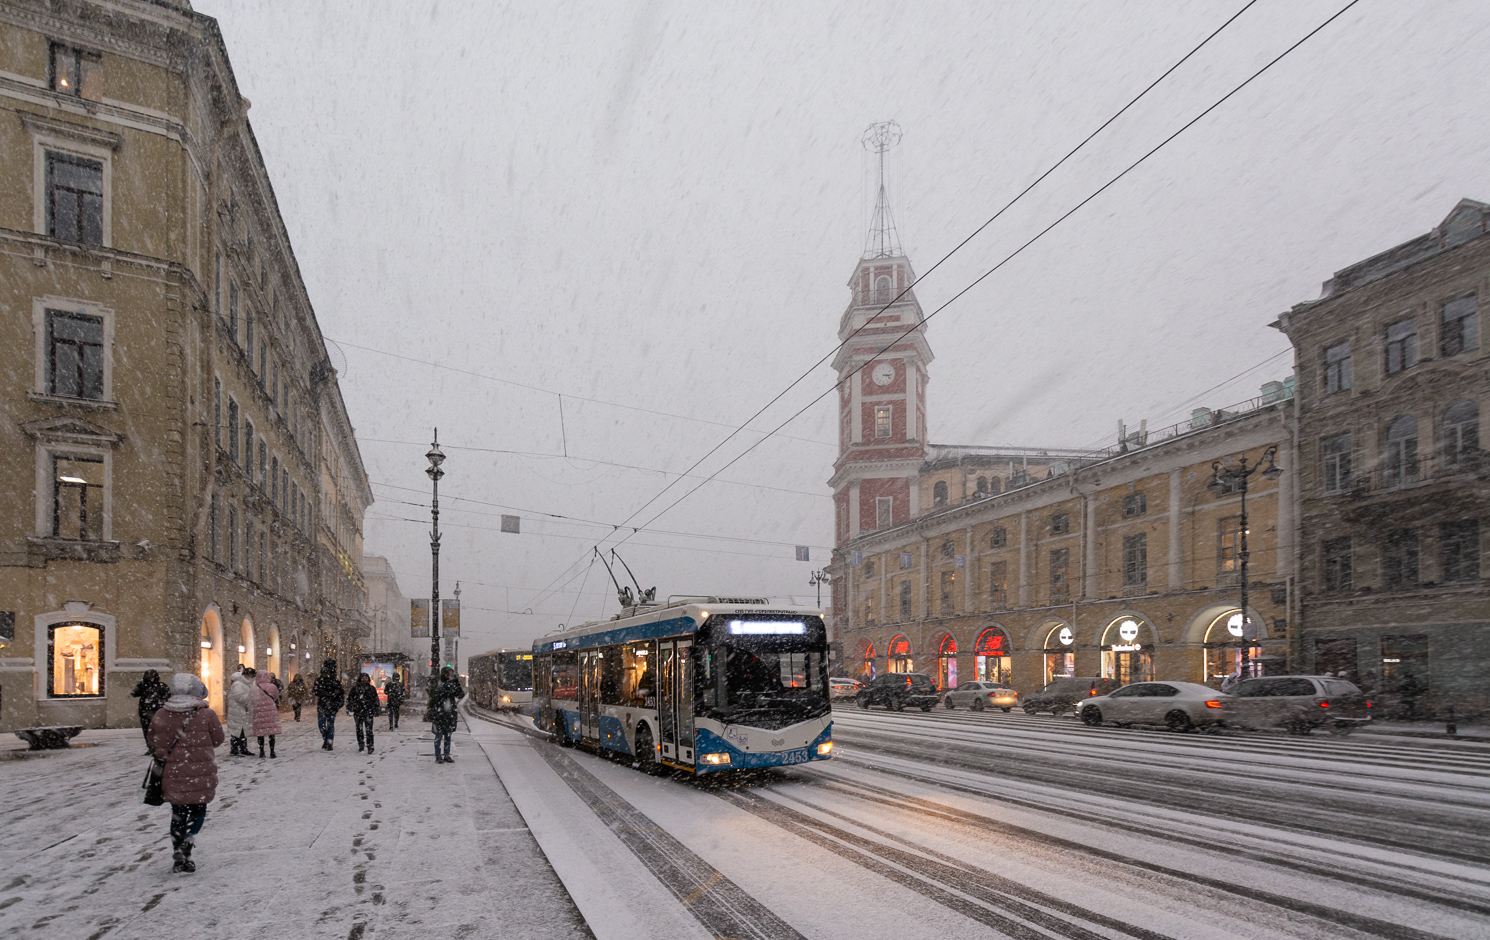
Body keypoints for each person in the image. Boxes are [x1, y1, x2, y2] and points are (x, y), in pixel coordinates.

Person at [148, 673, 225, 873]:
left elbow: (152, 742)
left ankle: (178, 851)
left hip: (172, 773)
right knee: (198, 811)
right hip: (200, 772)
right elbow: (218, 740)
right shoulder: (207, 714)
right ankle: (187, 845)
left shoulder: (160, 714)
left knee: (178, 813)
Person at [428, 666, 465, 764]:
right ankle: (438, 755)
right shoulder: (439, 684)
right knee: (439, 736)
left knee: (448, 736)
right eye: (448, 674)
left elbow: (461, 695)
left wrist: (456, 682)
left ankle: (447, 755)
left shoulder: (452, 684)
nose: (449, 676)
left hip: (449, 714)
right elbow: (434, 696)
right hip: (440, 714)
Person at [130, 669, 171, 748]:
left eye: (152, 676)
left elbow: (167, 696)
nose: (151, 678)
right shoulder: (143, 686)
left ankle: (157, 747)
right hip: (146, 713)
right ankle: (151, 747)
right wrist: (139, 685)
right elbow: (134, 694)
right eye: (149, 677)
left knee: (157, 732)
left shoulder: (161, 686)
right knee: (147, 732)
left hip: (157, 713)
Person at [311, 659, 345, 751]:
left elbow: (340, 693)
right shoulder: (319, 681)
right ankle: (326, 739)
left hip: (332, 706)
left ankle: (329, 742)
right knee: (321, 724)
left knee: (330, 725)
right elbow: (315, 691)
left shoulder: (334, 681)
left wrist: (335, 700)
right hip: (322, 706)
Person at [346, 673, 381, 754]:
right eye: (363, 678)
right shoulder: (355, 689)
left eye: (366, 678)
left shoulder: (371, 689)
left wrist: (376, 709)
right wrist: (349, 708)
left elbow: (375, 699)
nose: (364, 680)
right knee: (359, 729)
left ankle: (370, 745)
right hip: (358, 711)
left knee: (369, 730)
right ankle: (361, 744)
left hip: (368, 711)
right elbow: (350, 699)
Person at [226, 667, 256, 756]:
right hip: (238, 711)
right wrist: (251, 696)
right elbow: (239, 697)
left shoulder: (246, 683)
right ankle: (236, 749)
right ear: (247, 675)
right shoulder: (238, 684)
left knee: (241, 731)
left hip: (242, 710)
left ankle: (241, 748)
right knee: (238, 731)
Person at [252, 669, 282, 758]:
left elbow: (251, 699)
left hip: (258, 711)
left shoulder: (255, 688)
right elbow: (276, 697)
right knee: (271, 731)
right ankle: (272, 751)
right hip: (270, 711)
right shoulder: (272, 686)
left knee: (260, 732)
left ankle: (261, 751)